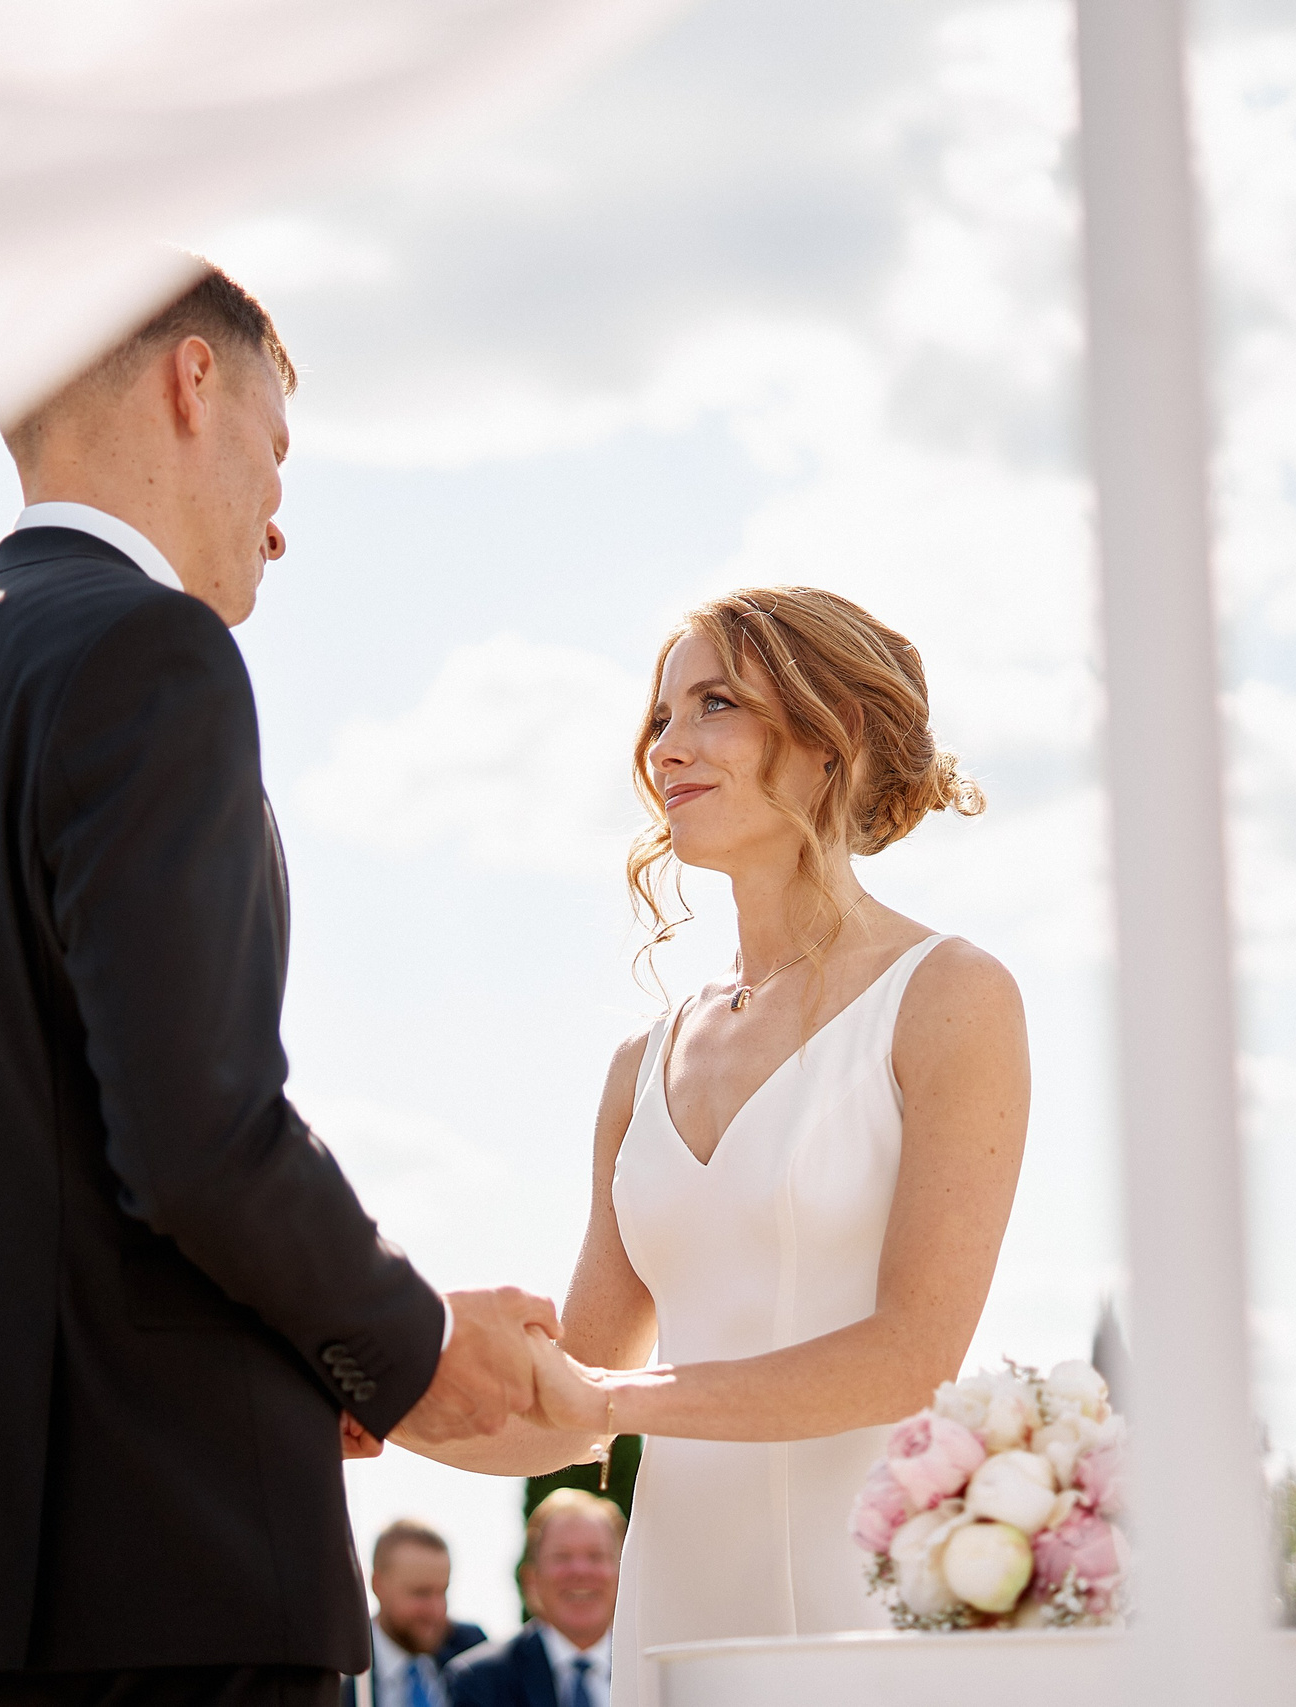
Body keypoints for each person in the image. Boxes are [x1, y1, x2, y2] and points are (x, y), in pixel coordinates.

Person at [0, 261, 562, 1707]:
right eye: (277, 447)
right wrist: (405, 1349)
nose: (281, 517)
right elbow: (194, 1138)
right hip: (170, 1581)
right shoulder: (150, 648)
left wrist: (299, 1354)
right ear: (193, 379)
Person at [408, 588, 1030, 1705]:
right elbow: (563, 1398)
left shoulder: (949, 998)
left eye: (713, 704)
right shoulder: (638, 1064)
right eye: (658, 717)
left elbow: (911, 1355)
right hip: (671, 1625)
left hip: (858, 1614)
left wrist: (610, 1401)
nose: (666, 749)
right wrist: (359, 1409)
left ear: (828, 735)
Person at [445, 1492, 623, 1707]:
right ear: (532, 1578)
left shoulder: (656, 1673)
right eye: (562, 1556)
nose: (580, 1570)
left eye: (596, 1556)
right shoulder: (479, 1681)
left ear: (622, 1572)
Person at [341, 1520, 486, 1707]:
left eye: (443, 1591)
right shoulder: (344, 1668)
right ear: (378, 1585)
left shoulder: (473, 1652)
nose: (437, 1610)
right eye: (421, 1593)